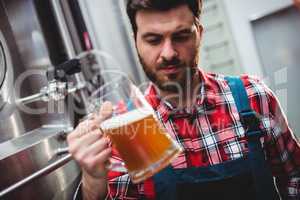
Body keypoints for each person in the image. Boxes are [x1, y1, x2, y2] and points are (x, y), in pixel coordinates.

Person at [67, 0, 300, 199]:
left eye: (180, 36)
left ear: (199, 33)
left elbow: (294, 177)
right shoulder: (120, 135)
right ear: (135, 40)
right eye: (153, 40)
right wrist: (92, 185)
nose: (168, 53)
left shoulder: (253, 97)